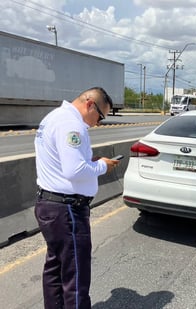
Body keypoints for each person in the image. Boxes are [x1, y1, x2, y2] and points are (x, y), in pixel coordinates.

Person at [34, 87, 119, 309]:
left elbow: (65, 162)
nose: (98, 122)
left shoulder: (54, 117)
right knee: (76, 275)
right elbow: (74, 171)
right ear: (90, 104)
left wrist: (90, 160)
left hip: (50, 205)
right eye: (100, 116)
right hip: (67, 210)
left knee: (55, 268)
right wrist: (102, 165)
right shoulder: (71, 125)